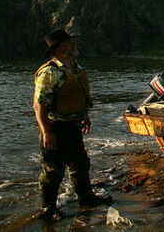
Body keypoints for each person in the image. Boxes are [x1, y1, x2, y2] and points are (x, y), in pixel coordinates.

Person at [33, 29, 112, 221]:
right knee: (53, 169)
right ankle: (47, 208)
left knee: (80, 163)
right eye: (70, 42)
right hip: (55, 127)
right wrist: (47, 133)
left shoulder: (75, 68)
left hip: (73, 125)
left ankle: (86, 199)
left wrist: (85, 116)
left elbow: (79, 95)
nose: (74, 45)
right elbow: (38, 106)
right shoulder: (50, 72)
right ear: (60, 47)